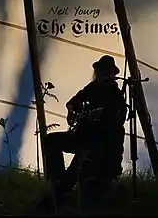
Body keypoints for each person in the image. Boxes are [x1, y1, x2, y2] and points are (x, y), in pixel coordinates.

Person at [43, 55, 127, 204]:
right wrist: (72, 111)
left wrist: (102, 118)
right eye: (101, 72)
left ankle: (62, 191)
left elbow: (118, 122)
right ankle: (57, 179)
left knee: (84, 155)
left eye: (108, 72)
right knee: (50, 140)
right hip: (80, 136)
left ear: (113, 75)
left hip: (99, 143)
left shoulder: (117, 96)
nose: (104, 75)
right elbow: (72, 103)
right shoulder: (91, 88)